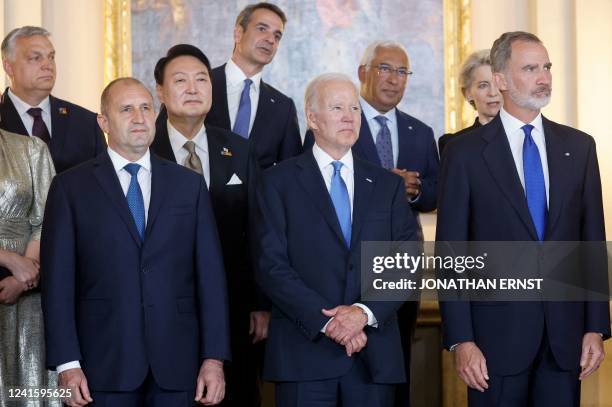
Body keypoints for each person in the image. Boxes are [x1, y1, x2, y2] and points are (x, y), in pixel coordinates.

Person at [437, 31, 610, 407]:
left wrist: (596, 326)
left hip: (565, 342)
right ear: (500, 80)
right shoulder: (463, 153)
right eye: (530, 68)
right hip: (492, 344)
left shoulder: (579, 147)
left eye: (546, 67)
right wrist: (461, 340)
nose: (544, 76)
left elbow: (590, 242)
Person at [41, 78, 230, 406]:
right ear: (103, 122)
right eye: (126, 109)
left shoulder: (189, 186)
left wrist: (213, 359)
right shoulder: (70, 188)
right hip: (101, 365)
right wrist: (67, 364)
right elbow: (57, 283)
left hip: (178, 365)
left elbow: (210, 279)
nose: (139, 117)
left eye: (145, 108)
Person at [255, 73, 419, 407]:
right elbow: (271, 265)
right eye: (337, 107)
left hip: (372, 357)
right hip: (305, 354)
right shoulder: (277, 183)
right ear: (312, 117)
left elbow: (407, 261)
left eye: (355, 108)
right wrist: (329, 321)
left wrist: (362, 312)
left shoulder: (387, 186)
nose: (349, 116)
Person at [150, 44, 264, 407]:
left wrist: (262, 304)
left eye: (202, 79)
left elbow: (259, 232)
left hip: (232, 310)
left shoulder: (239, 150)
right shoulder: (141, 148)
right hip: (158, 307)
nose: (193, 88)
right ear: (161, 92)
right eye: (180, 80)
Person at [204, 2, 302, 169]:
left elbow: (291, 173)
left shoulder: (283, 107)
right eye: (262, 29)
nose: (270, 40)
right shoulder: (202, 85)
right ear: (238, 33)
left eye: (277, 36)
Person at [0, 26, 106, 173]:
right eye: (36, 58)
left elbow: (103, 183)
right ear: (9, 67)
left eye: (51, 57)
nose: (48, 65)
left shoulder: (86, 123)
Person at [0, 130, 56, 407]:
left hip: (29, 297)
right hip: (13, 268)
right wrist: (8, 259)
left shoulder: (31, 148)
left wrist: (25, 278)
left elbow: (46, 219)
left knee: (30, 388)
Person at [438, 49, 502, 156]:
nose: (493, 93)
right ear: (468, 93)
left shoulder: (525, 138)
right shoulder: (454, 145)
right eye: (483, 85)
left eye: (497, 84)